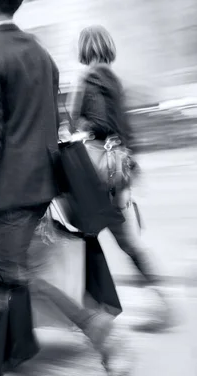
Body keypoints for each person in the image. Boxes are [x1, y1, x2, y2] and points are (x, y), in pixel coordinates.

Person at [0, 0, 133, 376]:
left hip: (11, 189)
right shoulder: (40, 53)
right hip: (43, 185)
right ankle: (14, 350)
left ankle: (97, 329)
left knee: (13, 270)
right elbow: (54, 123)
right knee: (21, 266)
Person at [65, 25, 175, 331]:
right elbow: (126, 131)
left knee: (87, 237)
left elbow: (98, 122)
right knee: (114, 240)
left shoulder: (90, 78)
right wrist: (126, 178)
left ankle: (96, 313)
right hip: (114, 172)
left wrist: (81, 125)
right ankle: (156, 303)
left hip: (94, 175)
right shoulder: (114, 81)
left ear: (85, 48)